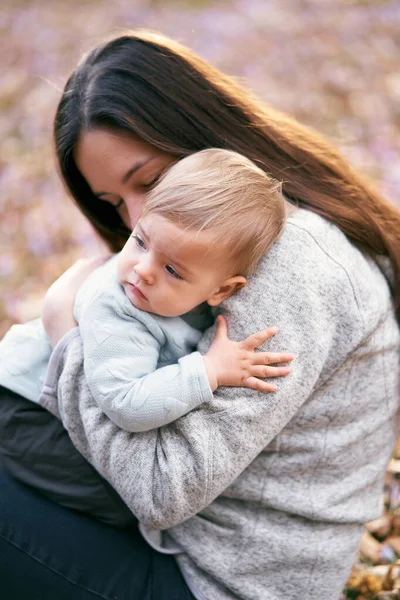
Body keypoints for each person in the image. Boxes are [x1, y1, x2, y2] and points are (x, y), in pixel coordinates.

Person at [0, 29, 399, 600]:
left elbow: (162, 491)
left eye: (151, 180)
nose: (138, 216)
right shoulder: (254, 242)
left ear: (206, 136)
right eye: (114, 204)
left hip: (216, 582)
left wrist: (69, 335)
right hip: (189, 546)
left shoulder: (292, 265)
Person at [0, 149, 292, 431]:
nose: (142, 270)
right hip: (25, 407)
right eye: (140, 241)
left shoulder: (179, 295)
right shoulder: (116, 305)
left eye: (172, 270)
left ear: (222, 290)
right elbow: (126, 405)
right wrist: (210, 370)